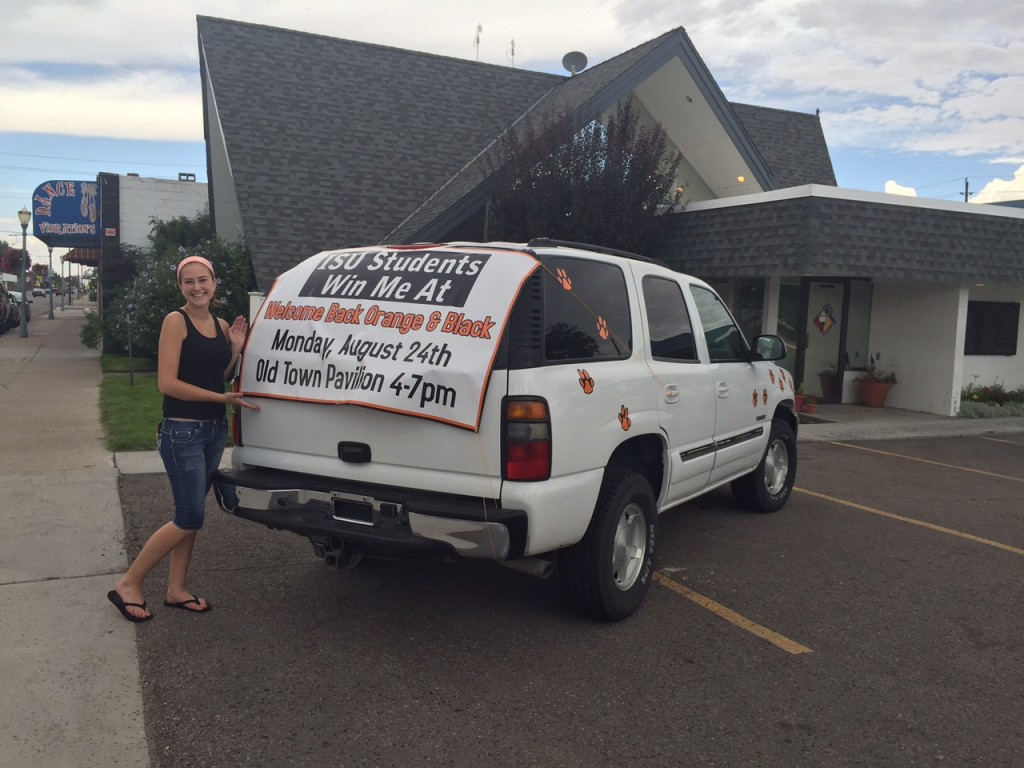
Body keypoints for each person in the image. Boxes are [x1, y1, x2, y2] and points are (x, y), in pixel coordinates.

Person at [107, 255, 260, 622]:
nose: (197, 287)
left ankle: (176, 590)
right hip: (183, 432)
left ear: (214, 282)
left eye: (203, 280)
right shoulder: (175, 321)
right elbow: (168, 384)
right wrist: (221, 399)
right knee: (189, 517)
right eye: (188, 281)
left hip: (212, 431)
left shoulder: (221, 324)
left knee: (190, 514)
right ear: (180, 286)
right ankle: (129, 583)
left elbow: (216, 377)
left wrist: (236, 348)